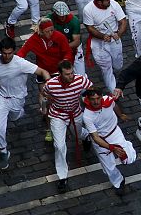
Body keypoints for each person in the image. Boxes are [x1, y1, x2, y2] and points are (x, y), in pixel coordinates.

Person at [0, 37, 50, 170]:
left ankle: (19, 112)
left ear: (14, 52)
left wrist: (48, 85)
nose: (7, 56)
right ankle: (3, 152)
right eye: (4, 53)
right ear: (0, 51)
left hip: (17, 99)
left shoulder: (21, 63)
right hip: (1, 98)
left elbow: (43, 72)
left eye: (10, 53)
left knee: (15, 116)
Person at [44, 59, 93, 193]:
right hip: (57, 115)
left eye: (71, 73)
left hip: (75, 113)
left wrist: (88, 101)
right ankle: (62, 177)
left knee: (77, 132)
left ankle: (86, 136)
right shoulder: (51, 84)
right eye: (67, 74)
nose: (70, 76)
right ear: (60, 74)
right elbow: (44, 94)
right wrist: (44, 106)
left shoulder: (80, 80)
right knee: (59, 145)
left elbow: (91, 89)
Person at [81, 87, 135, 195]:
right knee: (109, 166)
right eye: (93, 99)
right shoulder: (87, 116)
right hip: (100, 140)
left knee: (129, 159)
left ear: (101, 97)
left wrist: (121, 115)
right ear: (88, 99)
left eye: (98, 98)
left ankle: (127, 145)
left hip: (115, 133)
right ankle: (118, 182)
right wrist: (111, 148)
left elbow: (114, 106)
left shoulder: (108, 100)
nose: (96, 101)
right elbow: (96, 137)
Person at [83, 0, 127, 93]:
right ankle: (114, 92)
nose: (109, 1)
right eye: (107, 0)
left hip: (114, 41)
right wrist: (102, 36)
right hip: (98, 44)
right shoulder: (88, 10)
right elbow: (90, 28)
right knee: (106, 68)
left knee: (118, 66)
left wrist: (119, 33)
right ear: (99, 2)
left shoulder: (114, 4)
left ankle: (114, 73)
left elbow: (123, 21)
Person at [46, 1, 85, 76]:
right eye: (60, 15)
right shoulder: (48, 20)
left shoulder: (74, 21)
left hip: (73, 49)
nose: (62, 17)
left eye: (64, 15)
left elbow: (76, 42)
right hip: (57, 50)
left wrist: (61, 48)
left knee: (80, 74)